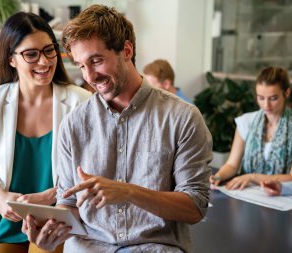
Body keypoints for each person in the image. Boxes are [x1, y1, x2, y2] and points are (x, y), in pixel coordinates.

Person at [22, 5, 212, 253]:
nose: (90, 76)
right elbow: (68, 202)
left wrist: (129, 192)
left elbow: (195, 208)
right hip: (89, 247)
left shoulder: (182, 117)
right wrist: (51, 232)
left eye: (97, 61)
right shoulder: (73, 123)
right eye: (81, 66)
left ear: (127, 51)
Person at [0, 12, 91, 253]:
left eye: (49, 50)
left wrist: (51, 196)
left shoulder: (81, 102)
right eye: (31, 54)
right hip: (10, 219)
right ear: (11, 59)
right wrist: (0, 197)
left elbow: (94, 170)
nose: (44, 62)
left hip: (58, 219)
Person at [210, 66, 292, 190]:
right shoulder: (246, 121)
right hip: (246, 194)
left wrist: (253, 177)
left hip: (282, 197)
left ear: (286, 93)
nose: (266, 105)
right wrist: (218, 177)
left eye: (273, 98)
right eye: (261, 98)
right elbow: (232, 165)